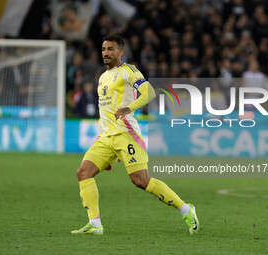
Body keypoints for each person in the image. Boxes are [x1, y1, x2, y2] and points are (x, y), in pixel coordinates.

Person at [71, 34, 199, 235]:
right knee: (83, 173)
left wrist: (129, 108)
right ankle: (95, 224)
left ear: (121, 52)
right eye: (104, 49)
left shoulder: (129, 71)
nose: (106, 53)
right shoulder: (102, 76)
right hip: (105, 137)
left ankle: (186, 209)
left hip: (126, 134)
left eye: (110, 49)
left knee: (141, 181)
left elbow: (149, 93)